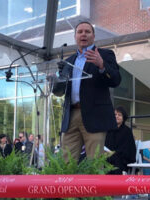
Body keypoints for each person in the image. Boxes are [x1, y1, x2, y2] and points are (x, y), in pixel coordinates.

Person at [52, 21, 121, 161]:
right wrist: (54, 82)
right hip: (71, 115)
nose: (83, 34)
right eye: (80, 32)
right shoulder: (68, 61)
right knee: (66, 162)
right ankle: (68, 184)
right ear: (75, 36)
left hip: (95, 115)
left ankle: (93, 184)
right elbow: (60, 92)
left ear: (93, 36)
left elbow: (116, 80)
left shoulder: (105, 54)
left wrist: (101, 65)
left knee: (94, 162)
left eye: (87, 31)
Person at [105, 106, 136, 174]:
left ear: (123, 117)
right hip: (107, 155)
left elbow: (128, 148)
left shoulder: (127, 131)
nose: (117, 116)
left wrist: (114, 153)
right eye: (115, 114)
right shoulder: (108, 130)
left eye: (119, 115)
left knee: (115, 161)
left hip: (122, 157)